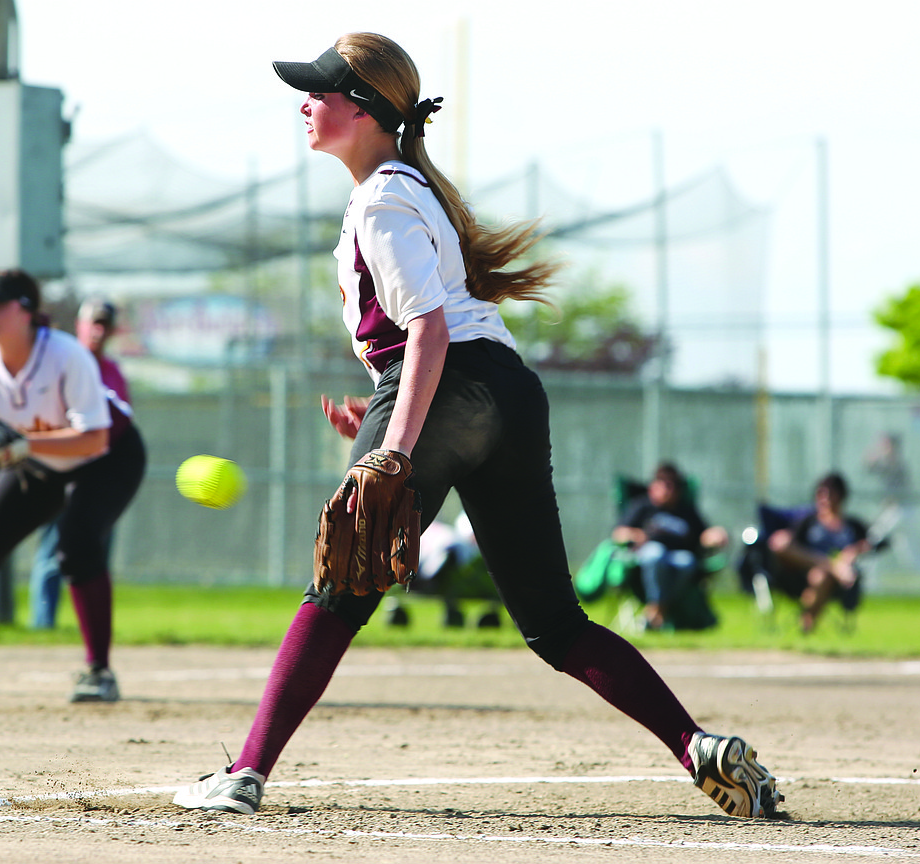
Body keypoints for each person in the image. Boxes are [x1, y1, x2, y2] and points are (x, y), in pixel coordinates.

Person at [172, 33, 781, 819]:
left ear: (361, 110)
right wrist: (393, 413)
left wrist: (395, 448)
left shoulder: (383, 197)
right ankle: (698, 746)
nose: (305, 104)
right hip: (505, 391)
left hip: (448, 378)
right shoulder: (406, 188)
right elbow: (437, 340)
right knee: (555, 623)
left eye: (319, 92)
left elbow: (427, 332)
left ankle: (244, 774)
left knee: (339, 584)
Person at [0, 269, 147, 702]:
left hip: (109, 457)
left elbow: (94, 436)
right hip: (38, 461)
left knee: (77, 544)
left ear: (26, 311)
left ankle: (99, 671)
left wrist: (20, 444)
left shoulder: (65, 355)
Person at [28, 296, 133, 629]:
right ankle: (43, 625)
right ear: (79, 325)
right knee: (53, 551)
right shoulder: (65, 361)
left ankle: (90, 625)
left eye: (105, 324)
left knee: (95, 554)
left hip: (102, 476)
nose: (98, 330)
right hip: (63, 469)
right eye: (93, 322)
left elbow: (122, 424)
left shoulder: (113, 372)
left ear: (113, 330)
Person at [612, 463, 729, 630]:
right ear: (653, 486)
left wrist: (715, 534)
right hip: (645, 558)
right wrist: (635, 534)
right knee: (656, 553)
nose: (669, 490)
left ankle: (655, 612)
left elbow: (703, 534)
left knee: (687, 561)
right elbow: (618, 533)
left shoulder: (686, 510)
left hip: (677, 557)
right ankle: (658, 611)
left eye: (673, 486)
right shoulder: (642, 505)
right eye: (664, 485)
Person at [768, 472, 870, 634]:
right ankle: (831, 567)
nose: (824, 497)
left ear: (841, 495)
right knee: (783, 544)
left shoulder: (852, 525)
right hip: (799, 576)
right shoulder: (808, 521)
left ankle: (807, 623)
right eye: (820, 492)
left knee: (821, 576)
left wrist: (851, 553)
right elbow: (782, 544)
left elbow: (870, 543)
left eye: (830, 492)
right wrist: (833, 565)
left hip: (837, 583)